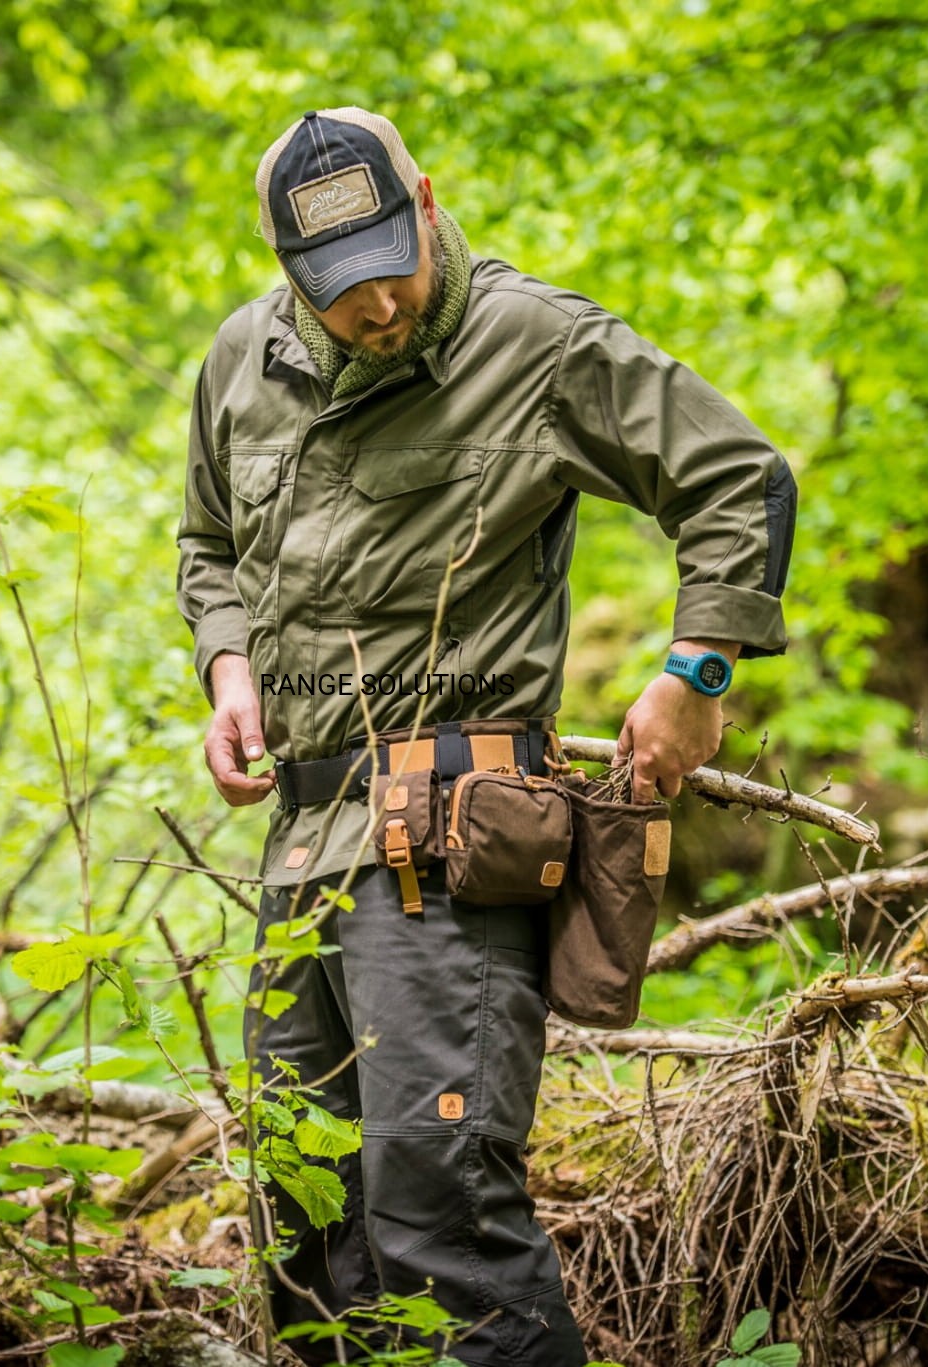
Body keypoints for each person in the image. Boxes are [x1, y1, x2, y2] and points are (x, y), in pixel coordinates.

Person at [174, 106, 795, 1367]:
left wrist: (696, 670)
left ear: (426, 204)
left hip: (449, 854)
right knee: (306, 1227)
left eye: (390, 265)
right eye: (340, 286)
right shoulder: (242, 358)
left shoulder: (536, 342)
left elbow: (740, 478)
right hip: (300, 851)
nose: (378, 305)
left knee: (439, 1217)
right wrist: (228, 664)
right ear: (285, 266)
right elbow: (206, 543)